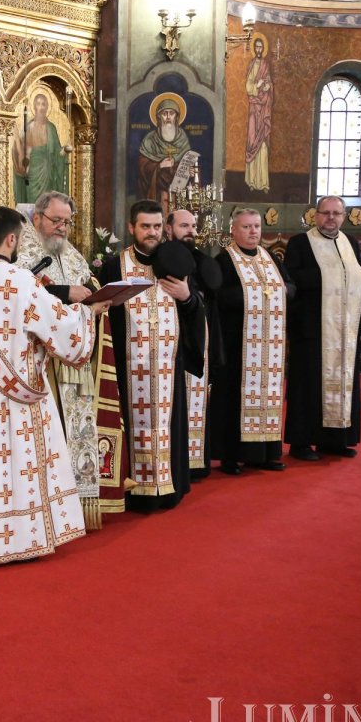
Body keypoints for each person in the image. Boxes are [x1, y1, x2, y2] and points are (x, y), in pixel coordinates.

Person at [0, 206, 110, 563]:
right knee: (16, 464)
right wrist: (89, 313)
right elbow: (60, 328)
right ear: (11, 239)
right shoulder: (20, 282)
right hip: (17, 398)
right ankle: (17, 539)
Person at [14, 192, 126, 525]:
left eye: (67, 222)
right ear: (37, 218)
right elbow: (20, 291)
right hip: (43, 359)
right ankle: (49, 503)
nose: (62, 228)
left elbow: (84, 284)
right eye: (56, 220)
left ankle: (77, 498)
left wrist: (98, 298)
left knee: (75, 429)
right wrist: (68, 295)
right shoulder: (22, 250)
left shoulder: (69, 252)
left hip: (76, 359)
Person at [100, 200, 205, 510]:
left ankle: (168, 487)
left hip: (168, 369)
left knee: (168, 426)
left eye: (157, 226)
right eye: (145, 226)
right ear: (132, 227)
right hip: (128, 368)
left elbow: (197, 311)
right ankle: (134, 490)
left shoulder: (178, 260)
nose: (152, 232)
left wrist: (187, 298)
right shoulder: (114, 265)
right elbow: (103, 314)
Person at [284, 195, 361, 460]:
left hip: (345, 329)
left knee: (343, 384)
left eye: (337, 213)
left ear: (344, 217)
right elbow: (291, 277)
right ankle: (301, 443)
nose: (331, 218)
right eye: (326, 213)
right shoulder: (300, 243)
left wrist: (354, 276)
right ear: (315, 215)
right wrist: (331, 275)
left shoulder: (350, 243)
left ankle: (334, 440)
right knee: (307, 387)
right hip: (312, 330)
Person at [210, 207, 294, 475]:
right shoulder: (224, 260)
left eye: (256, 226)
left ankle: (266, 454)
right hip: (238, 346)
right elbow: (218, 296)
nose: (253, 232)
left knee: (269, 397)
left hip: (270, 347)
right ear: (233, 230)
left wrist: (279, 292)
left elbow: (290, 287)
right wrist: (255, 293)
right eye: (246, 227)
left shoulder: (271, 258)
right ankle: (231, 457)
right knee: (233, 399)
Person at [164, 208, 223, 480]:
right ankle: (176, 462)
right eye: (184, 225)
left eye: (193, 226)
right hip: (168, 342)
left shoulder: (200, 259)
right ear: (168, 228)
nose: (191, 231)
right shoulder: (163, 257)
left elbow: (212, 290)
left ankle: (195, 462)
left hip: (198, 338)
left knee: (197, 399)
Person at [13, 93, 67, 204]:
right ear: (34, 106)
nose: (41, 107)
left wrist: (65, 150)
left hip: (48, 172)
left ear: (47, 107)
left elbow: (57, 153)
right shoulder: (29, 127)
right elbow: (23, 151)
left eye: (43, 104)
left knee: (47, 203)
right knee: (33, 202)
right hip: (33, 171)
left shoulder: (51, 128)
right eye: (38, 104)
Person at [138, 96, 191, 206]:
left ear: (176, 116)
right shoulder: (150, 139)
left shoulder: (182, 138)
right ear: (158, 117)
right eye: (164, 113)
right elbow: (142, 167)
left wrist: (189, 172)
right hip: (157, 193)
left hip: (179, 194)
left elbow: (187, 162)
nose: (168, 117)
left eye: (171, 113)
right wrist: (159, 165)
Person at [244, 34, 273, 193]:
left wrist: (267, 86)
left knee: (263, 145)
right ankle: (252, 181)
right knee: (252, 141)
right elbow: (248, 86)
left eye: (261, 47)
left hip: (264, 110)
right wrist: (257, 85)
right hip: (254, 110)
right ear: (254, 48)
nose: (259, 49)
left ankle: (263, 183)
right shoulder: (252, 65)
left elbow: (269, 83)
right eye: (257, 47)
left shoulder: (266, 65)